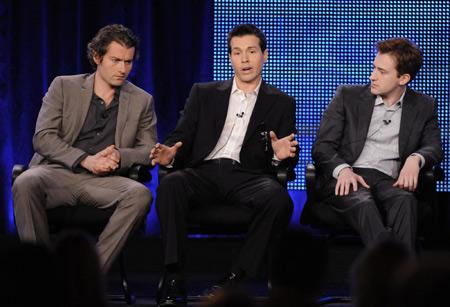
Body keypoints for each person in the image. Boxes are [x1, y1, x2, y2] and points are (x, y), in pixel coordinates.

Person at [151, 24, 299, 306]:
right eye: (237, 52)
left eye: (251, 52)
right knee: (171, 184)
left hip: (249, 177)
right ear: (230, 57)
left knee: (279, 198)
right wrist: (170, 151)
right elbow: (181, 134)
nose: (244, 59)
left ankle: (234, 276)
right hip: (203, 173)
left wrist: (280, 155)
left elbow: (288, 152)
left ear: (264, 56)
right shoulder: (204, 93)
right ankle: (174, 275)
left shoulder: (281, 102)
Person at [12, 24, 157, 273]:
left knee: (140, 195)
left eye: (129, 62)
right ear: (97, 57)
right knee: (25, 182)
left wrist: (121, 154)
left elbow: (147, 148)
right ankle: (41, 276)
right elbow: (43, 137)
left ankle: (87, 276)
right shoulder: (64, 87)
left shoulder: (142, 100)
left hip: (105, 182)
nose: (123, 69)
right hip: (58, 174)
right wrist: (85, 160)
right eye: (116, 60)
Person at [311, 37, 443, 250]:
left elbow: (434, 147)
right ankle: (394, 274)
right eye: (374, 68)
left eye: (382, 72)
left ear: (403, 78)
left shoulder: (424, 105)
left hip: (389, 181)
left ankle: (396, 276)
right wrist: (343, 170)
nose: (372, 76)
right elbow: (322, 146)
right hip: (349, 177)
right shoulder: (348, 96)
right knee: (363, 204)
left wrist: (415, 159)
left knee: (406, 201)